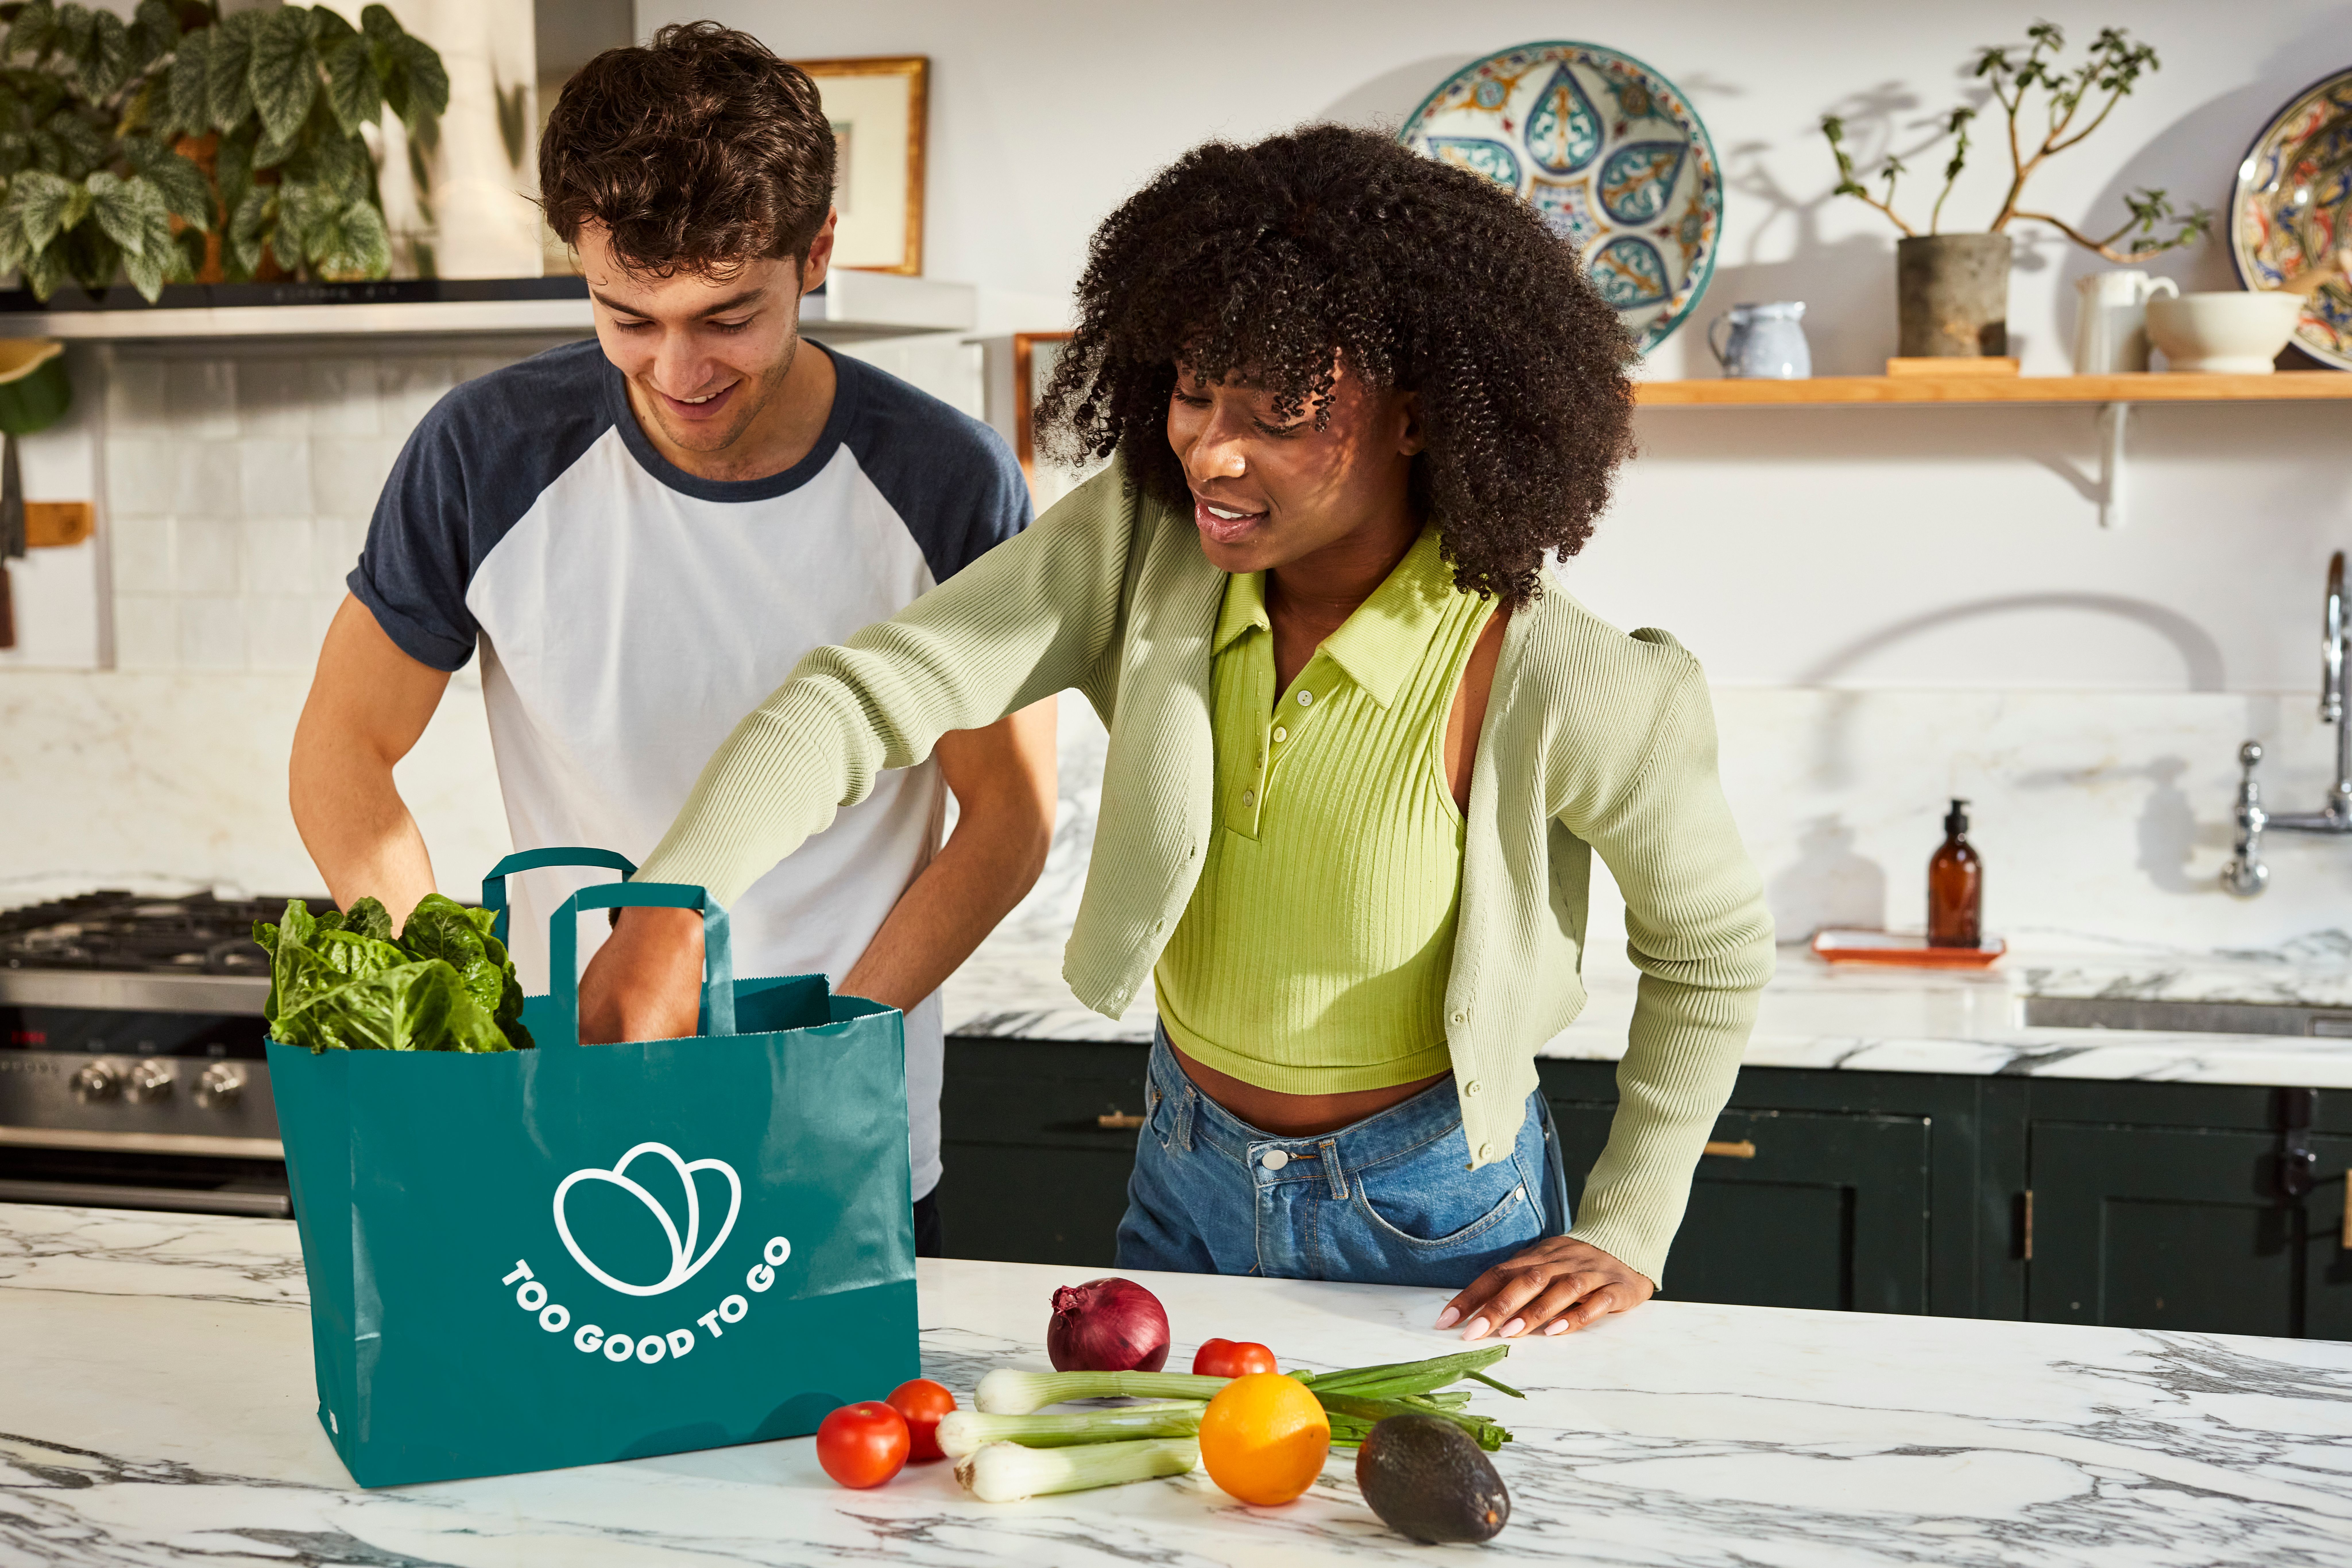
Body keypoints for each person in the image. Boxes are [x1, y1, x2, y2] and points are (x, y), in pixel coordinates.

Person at [584, 125, 1774, 1338]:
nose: (1214, 449)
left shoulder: (1556, 676)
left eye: (1278, 414)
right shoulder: (1142, 548)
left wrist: (1627, 1222)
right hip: (1182, 1175)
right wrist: (669, 900)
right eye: (1195, 395)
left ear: (1416, 418)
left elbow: (1711, 950)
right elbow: (868, 692)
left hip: (1433, 1215)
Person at [287, 24, 1056, 1258]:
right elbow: (343, 748)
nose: (676, 368)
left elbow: (1007, 819)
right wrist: (453, 1026)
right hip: (570, 1105)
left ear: (816, 254)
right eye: (626, 316)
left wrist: (821, 1050)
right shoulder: (486, 452)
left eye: (728, 315)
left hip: (837, 1122)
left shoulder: (944, 479)